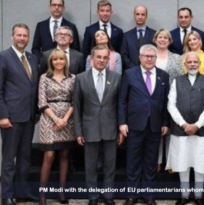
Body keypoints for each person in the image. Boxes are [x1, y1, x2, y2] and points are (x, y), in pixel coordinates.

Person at [118, 44, 170, 205]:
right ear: (139, 57)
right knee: (133, 161)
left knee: (150, 161)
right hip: (134, 125)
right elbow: (122, 100)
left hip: (155, 126)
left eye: (152, 56)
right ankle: (132, 196)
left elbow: (165, 101)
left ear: (156, 58)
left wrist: (165, 123)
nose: (149, 59)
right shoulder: (129, 74)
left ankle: (149, 195)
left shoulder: (163, 76)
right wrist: (122, 122)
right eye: (146, 56)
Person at [73, 45, 123, 205]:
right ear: (92, 58)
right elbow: (77, 106)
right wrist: (78, 131)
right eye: (98, 57)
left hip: (111, 127)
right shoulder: (80, 78)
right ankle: (93, 197)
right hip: (89, 128)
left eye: (104, 57)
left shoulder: (116, 77)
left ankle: (108, 196)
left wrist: (121, 128)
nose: (101, 60)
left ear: (109, 59)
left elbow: (120, 104)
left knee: (110, 165)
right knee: (91, 166)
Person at [166, 52, 204, 205]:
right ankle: (184, 195)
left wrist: (197, 125)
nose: (193, 64)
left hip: (202, 130)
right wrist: (183, 124)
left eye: (196, 62)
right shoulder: (177, 81)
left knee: (201, 163)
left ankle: (199, 196)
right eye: (190, 62)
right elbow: (171, 105)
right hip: (180, 130)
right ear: (185, 64)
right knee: (182, 162)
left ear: (200, 64)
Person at [0, 23, 39, 205]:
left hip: (29, 117)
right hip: (11, 118)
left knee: (25, 158)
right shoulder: (4, 57)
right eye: (19, 35)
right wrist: (2, 115)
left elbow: (33, 87)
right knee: (9, 159)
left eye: (25, 35)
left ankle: (22, 192)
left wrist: (36, 112)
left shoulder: (32, 58)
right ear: (12, 37)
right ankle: (7, 195)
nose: (22, 38)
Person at [38, 49, 75, 205]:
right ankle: (42, 195)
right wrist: (55, 119)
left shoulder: (72, 78)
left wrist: (64, 119)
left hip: (67, 119)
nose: (59, 62)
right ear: (51, 62)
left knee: (64, 155)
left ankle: (61, 192)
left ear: (65, 61)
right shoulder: (44, 78)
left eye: (61, 59)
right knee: (49, 156)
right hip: (49, 118)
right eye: (55, 59)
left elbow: (75, 101)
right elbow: (41, 102)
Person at [152, 29, 183, 171]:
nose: (162, 39)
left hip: (172, 99)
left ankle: (170, 164)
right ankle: (157, 162)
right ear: (155, 39)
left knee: (171, 131)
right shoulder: (150, 56)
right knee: (156, 131)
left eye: (165, 37)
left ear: (170, 41)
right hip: (153, 99)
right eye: (160, 37)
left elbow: (180, 78)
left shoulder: (177, 58)